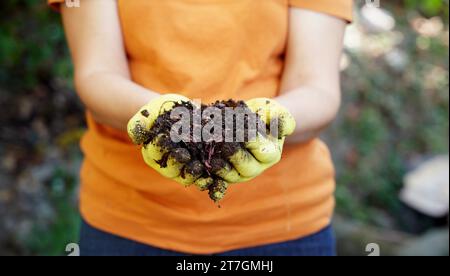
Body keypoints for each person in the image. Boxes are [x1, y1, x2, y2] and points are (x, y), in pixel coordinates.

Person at [48, 0, 352, 256]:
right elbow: (97, 74)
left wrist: (261, 123)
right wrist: (159, 118)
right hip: (128, 222)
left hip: (281, 227)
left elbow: (316, 88)